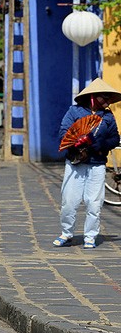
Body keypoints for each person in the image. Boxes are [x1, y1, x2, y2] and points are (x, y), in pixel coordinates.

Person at [53, 78, 121, 249]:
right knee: (69, 201)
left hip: (97, 164)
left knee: (94, 202)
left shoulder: (107, 116)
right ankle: (66, 233)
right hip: (75, 164)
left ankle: (90, 235)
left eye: (108, 99)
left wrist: (101, 145)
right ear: (93, 96)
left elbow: (115, 138)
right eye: (103, 97)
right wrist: (77, 142)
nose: (106, 102)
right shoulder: (74, 112)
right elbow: (63, 133)